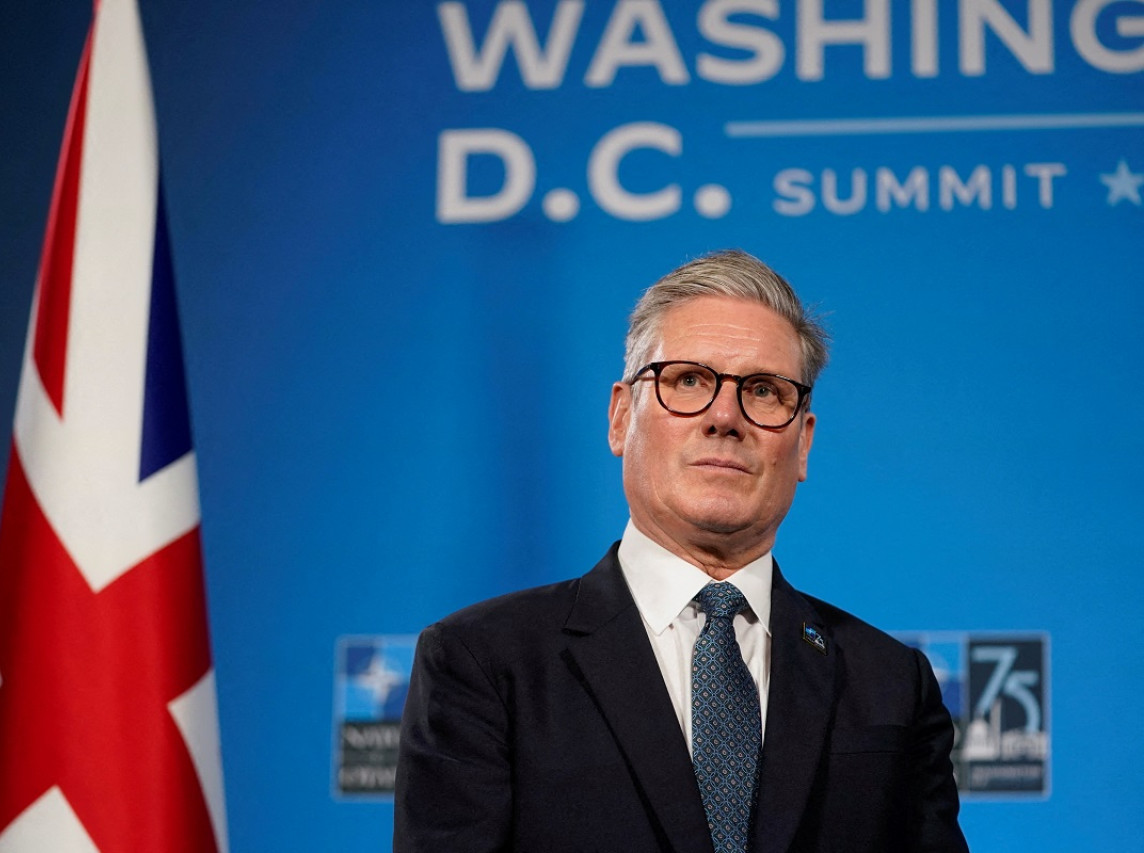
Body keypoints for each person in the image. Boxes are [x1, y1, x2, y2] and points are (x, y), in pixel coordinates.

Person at [393, 250, 968, 853]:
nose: (725, 416)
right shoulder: (483, 662)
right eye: (689, 380)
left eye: (765, 391)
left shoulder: (889, 683)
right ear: (621, 417)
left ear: (803, 445)